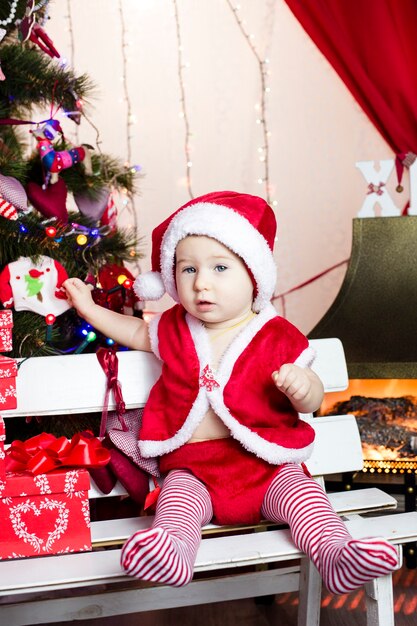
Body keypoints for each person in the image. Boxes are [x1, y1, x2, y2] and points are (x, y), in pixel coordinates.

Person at [63, 190, 398, 594]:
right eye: (187, 270)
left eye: (219, 267)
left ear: (253, 274)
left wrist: (301, 386)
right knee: (175, 507)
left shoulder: (274, 335)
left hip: (265, 467)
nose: (201, 282)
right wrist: (89, 309)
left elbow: (311, 401)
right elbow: (136, 331)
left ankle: (336, 552)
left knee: (305, 497)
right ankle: (171, 550)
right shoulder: (174, 327)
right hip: (194, 469)